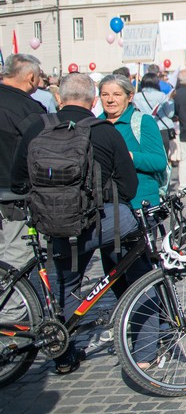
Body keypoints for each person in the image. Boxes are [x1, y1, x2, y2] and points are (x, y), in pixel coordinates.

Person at [10, 72, 148, 374]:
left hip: (54, 222)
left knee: (66, 285)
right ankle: (146, 342)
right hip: (100, 221)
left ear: (59, 98)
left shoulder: (37, 127)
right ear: (93, 100)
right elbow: (129, 185)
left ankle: (63, 353)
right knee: (137, 272)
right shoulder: (104, 131)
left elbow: (18, 179)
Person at [0, 54, 46, 267]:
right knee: (16, 258)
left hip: (11, 193)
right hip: (14, 195)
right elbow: (42, 152)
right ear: (30, 77)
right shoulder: (29, 109)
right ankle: (12, 302)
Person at [99, 74, 168, 209]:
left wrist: (130, 156)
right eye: (105, 94)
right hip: (106, 205)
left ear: (129, 97)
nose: (110, 100)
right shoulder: (95, 123)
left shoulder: (143, 122)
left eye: (117, 95)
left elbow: (159, 161)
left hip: (139, 203)